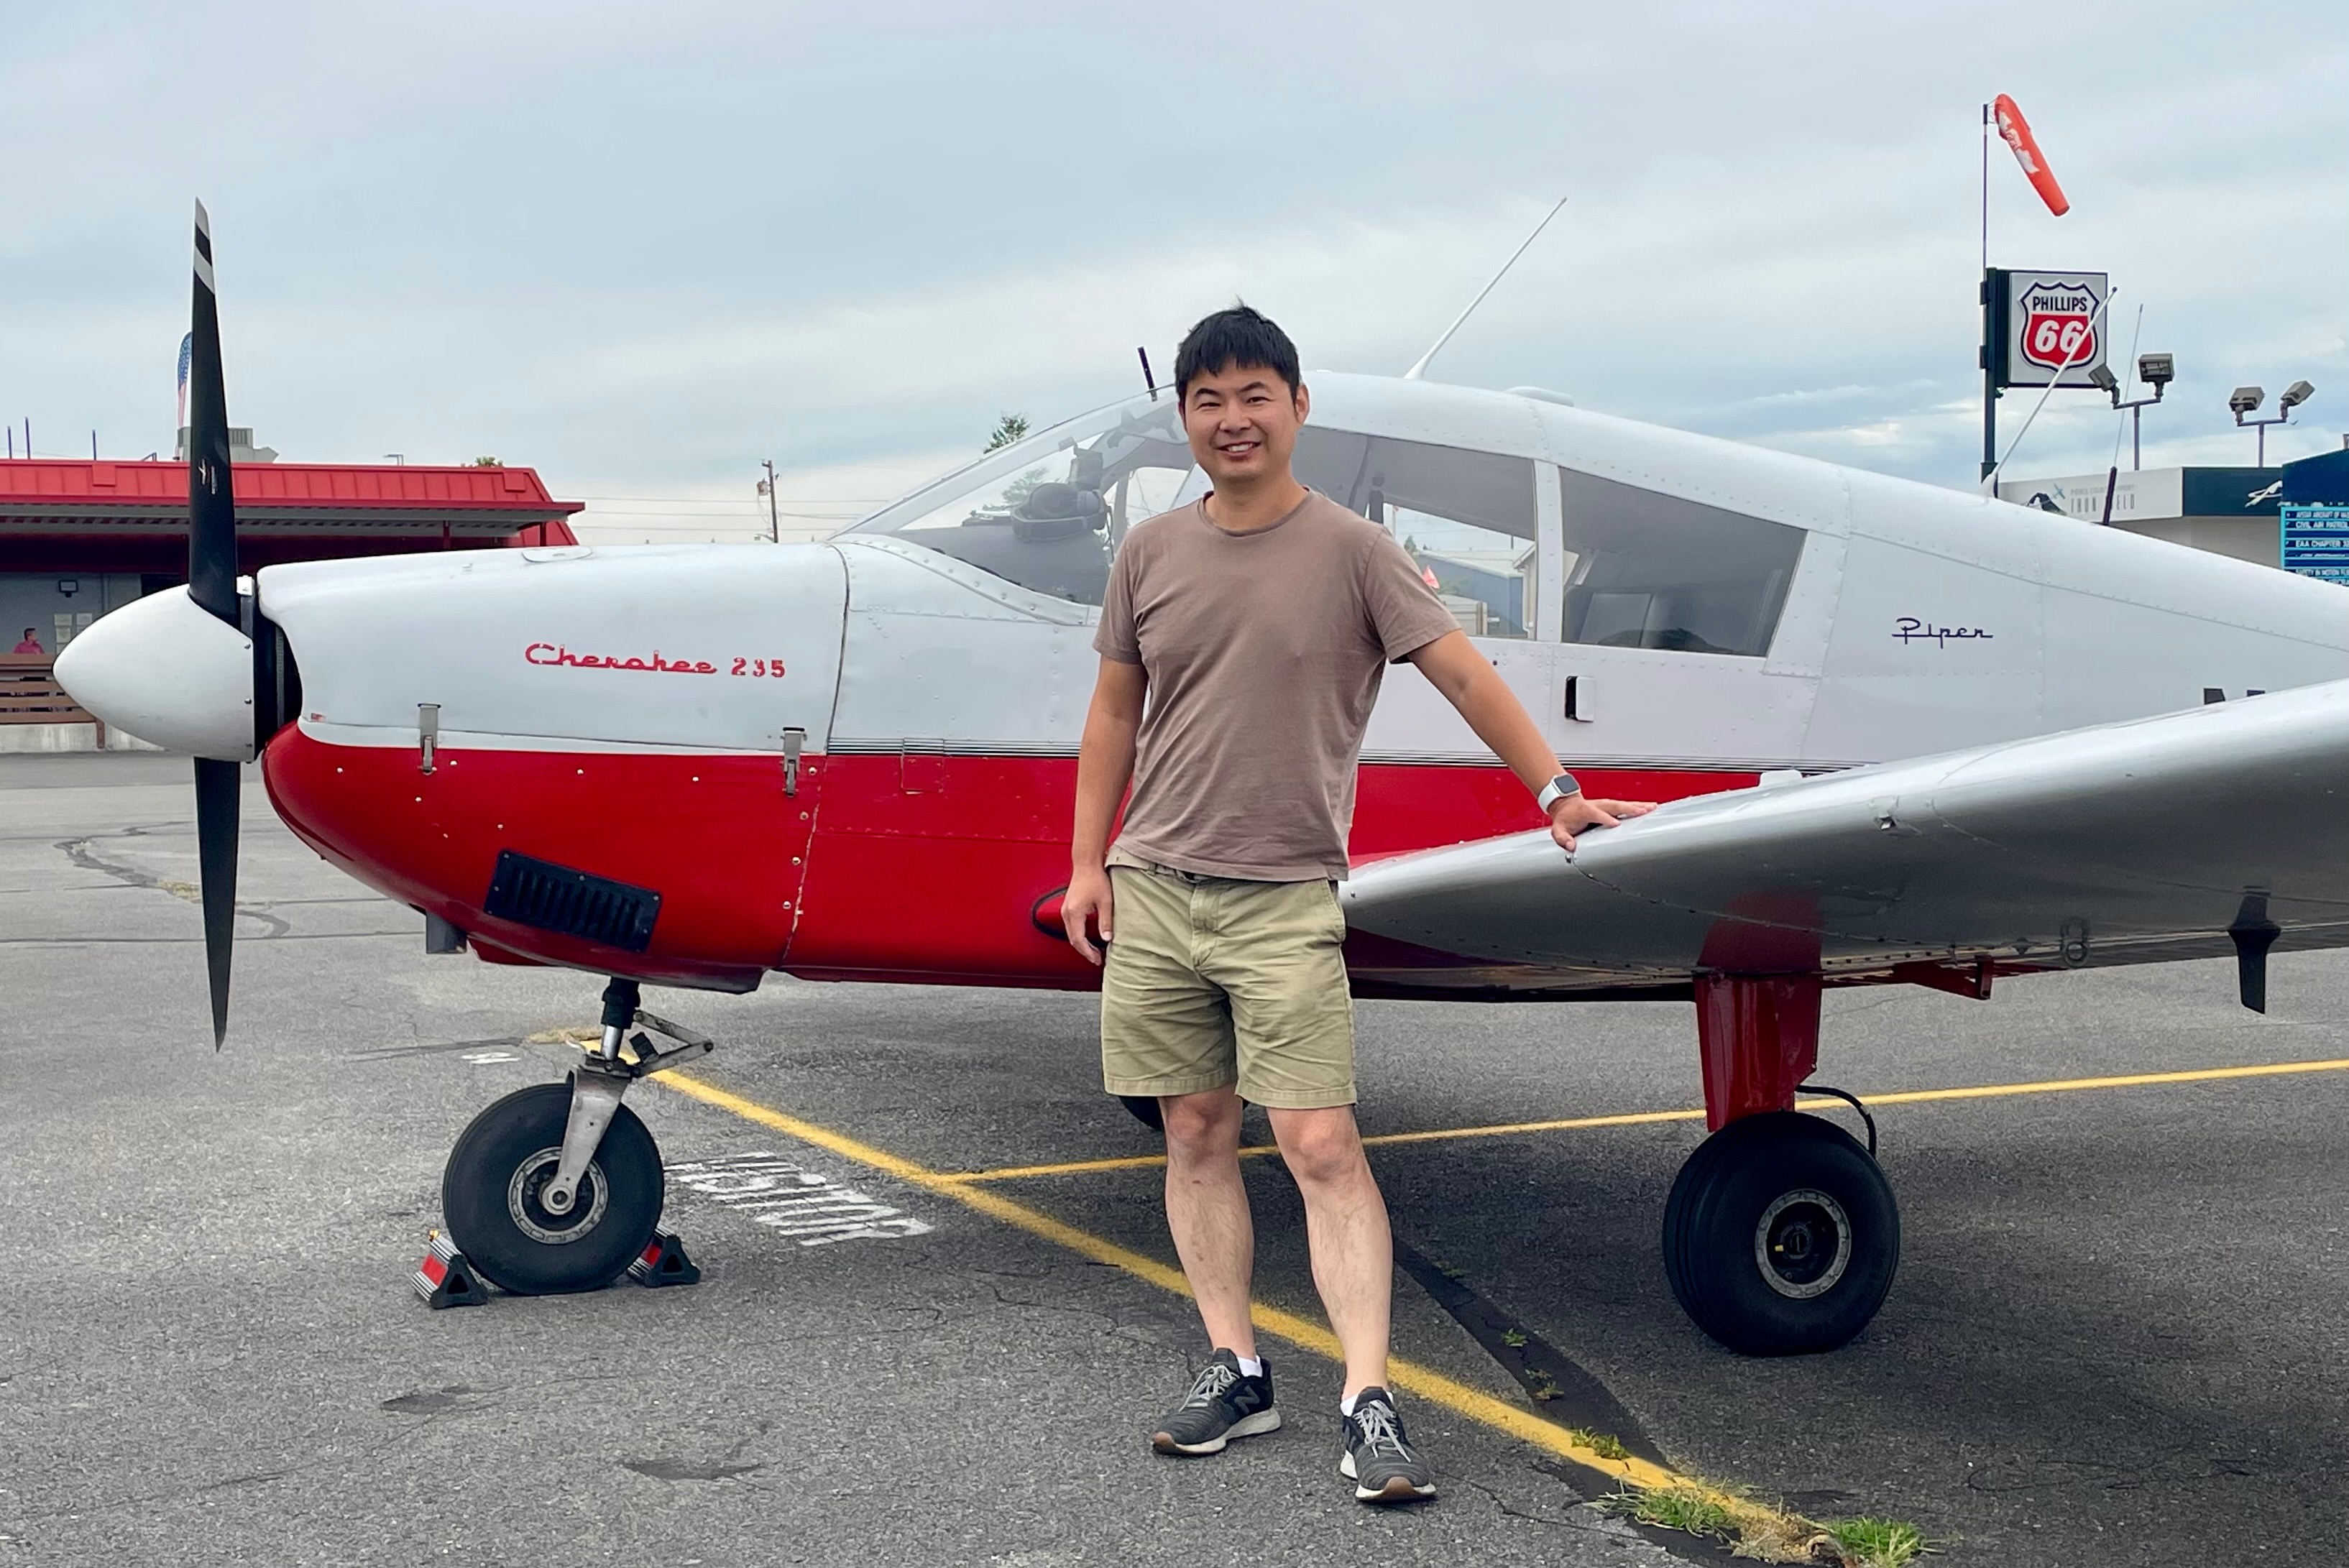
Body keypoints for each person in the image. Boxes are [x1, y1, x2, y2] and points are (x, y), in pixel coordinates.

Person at [1062, 305, 1654, 1505]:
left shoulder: (1355, 553)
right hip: (1158, 886)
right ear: (1185, 417)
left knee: (1321, 1144)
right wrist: (1089, 864)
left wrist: (1558, 790)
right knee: (1192, 1131)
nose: (1233, 418)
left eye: (1254, 394)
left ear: (1297, 406)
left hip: (1283, 897)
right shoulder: (1150, 555)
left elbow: (1462, 670)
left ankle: (1369, 1396)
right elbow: (1115, 712)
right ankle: (1236, 1365)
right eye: (1208, 399)